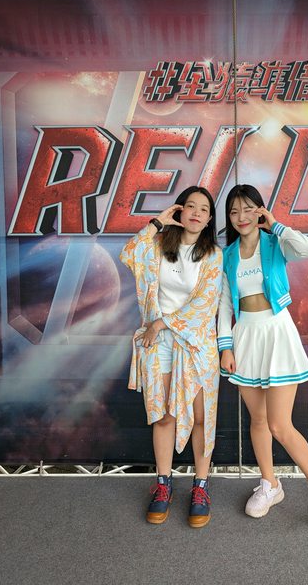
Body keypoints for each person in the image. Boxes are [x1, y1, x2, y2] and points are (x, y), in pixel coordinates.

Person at [218, 184, 308, 529]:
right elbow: (224, 304)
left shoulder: (275, 242)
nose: (241, 217)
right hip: (245, 336)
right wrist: (225, 346)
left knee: (279, 425)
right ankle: (270, 485)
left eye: (248, 209)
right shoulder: (227, 255)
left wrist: (276, 225)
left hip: (277, 332)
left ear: (260, 210)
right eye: (234, 211)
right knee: (258, 421)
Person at [120, 186, 223, 528]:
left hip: (195, 344)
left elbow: (205, 304)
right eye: (190, 206)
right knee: (163, 415)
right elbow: (128, 254)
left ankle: (200, 486)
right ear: (180, 211)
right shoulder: (158, 245)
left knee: (201, 417)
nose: (196, 212)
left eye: (203, 209)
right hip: (159, 343)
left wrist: (162, 323)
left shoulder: (213, 255)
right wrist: (156, 224)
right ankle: (163, 484)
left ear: (209, 219)